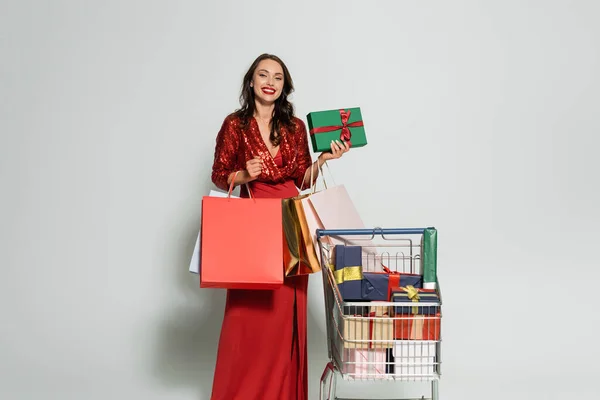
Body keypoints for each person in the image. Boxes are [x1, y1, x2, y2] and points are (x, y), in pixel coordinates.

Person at [209, 53, 350, 400]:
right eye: (263, 75)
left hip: (291, 226)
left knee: (285, 314)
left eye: (277, 77)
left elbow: (301, 180)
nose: (270, 82)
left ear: (284, 85)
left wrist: (324, 161)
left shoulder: (295, 126)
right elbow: (218, 172)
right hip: (253, 225)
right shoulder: (234, 125)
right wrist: (243, 175)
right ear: (251, 81)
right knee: (248, 315)